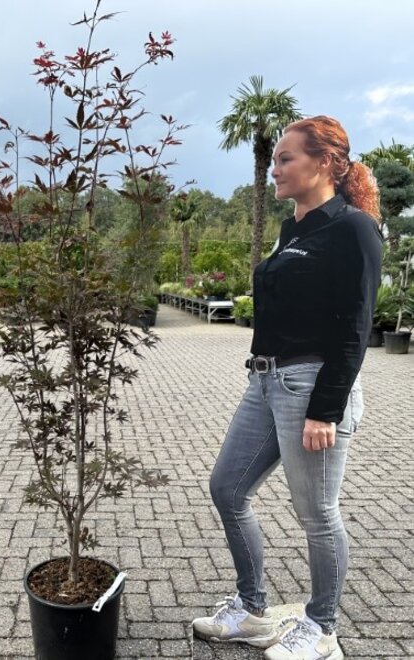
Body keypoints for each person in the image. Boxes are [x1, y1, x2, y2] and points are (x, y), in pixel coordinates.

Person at [191, 116, 383, 660]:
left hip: (312, 389)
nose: (274, 169)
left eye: (285, 158)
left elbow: (356, 327)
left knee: (317, 515)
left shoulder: (353, 228)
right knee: (227, 488)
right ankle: (252, 613)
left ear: (324, 162)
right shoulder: (293, 227)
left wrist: (326, 409)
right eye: (274, 159)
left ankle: (321, 629)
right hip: (266, 380)